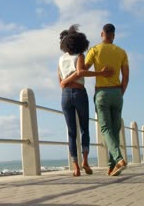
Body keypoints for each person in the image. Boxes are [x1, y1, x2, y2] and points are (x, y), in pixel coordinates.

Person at [58, 25, 112, 177]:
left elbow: (60, 80)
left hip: (65, 95)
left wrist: (65, 82)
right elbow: (81, 72)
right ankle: (85, 161)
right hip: (80, 92)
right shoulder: (80, 56)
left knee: (71, 131)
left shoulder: (61, 59)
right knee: (84, 128)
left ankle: (75, 167)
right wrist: (99, 73)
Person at [84, 23, 130, 176]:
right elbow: (126, 76)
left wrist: (99, 74)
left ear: (102, 34)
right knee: (115, 130)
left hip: (102, 93)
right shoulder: (121, 52)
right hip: (117, 93)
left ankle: (119, 159)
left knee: (105, 129)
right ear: (114, 35)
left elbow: (83, 70)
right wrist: (120, 92)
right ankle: (112, 166)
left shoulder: (95, 50)